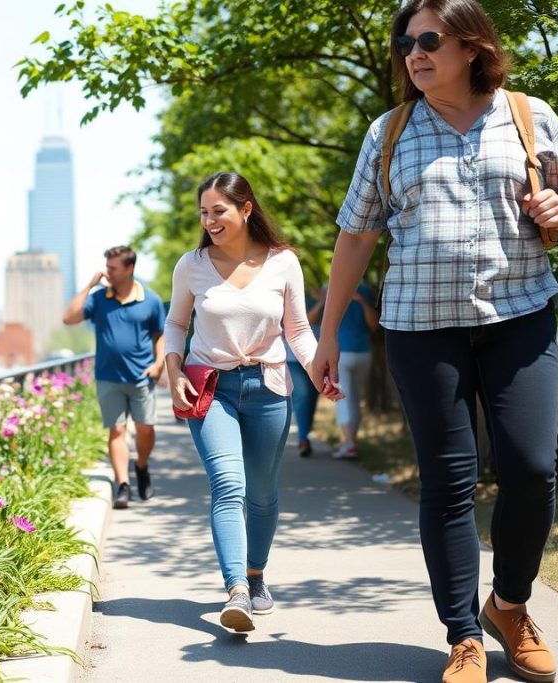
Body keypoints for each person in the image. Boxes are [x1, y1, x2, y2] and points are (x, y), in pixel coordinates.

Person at [312, 0, 558, 679]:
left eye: (429, 39)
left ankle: (509, 604)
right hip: (421, 329)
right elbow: (357, 234)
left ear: (472, 45)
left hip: (520, 314)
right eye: (405, 42)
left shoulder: (529, 114)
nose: (413, 52)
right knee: (450, 482)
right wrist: (327, 331)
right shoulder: (389, 132)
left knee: (532, 469)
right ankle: (463, 634)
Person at [164, 172, 341, 632]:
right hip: (212, 388)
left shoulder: (283, 263)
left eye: (218, 211)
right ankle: (236, 589)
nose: (209, 221)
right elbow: (175, 324)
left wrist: (317, 372)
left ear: (245, 209)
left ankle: (257, 574)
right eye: (204, 213)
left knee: (263, 494)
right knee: (229, 485)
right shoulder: (192, 265)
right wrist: (172, 369)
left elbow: (298, 330)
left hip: (269, 387)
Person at [63, 245, 165, 510]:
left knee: (145, 430)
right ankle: (123, 486)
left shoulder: (150, 300)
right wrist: (89, 285)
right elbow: (69, 317)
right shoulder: (98, 299)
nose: (107, 272)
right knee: (117, 430)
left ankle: (141, 466)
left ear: (129, 269)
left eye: (112, 268)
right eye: (106, 267)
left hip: (142, 376)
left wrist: (158, 364)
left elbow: (161, 335)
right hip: (108, 377)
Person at [323, 280, 379, 460]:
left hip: (341, 353)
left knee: (343, 398)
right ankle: (350, 442)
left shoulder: (331, 286)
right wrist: (362, 301)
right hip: (363, 353)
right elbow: (374, 325)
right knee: (354, 398)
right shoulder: (364, 289)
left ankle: (349, 443)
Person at [286, 290, 324, 457]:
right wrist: (322, 302)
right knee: (302, 394)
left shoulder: (319, 292)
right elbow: (306, 321)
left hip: (316, 357)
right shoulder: (287, 293)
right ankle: (303, 439)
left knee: (313, 397)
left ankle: (306, 433)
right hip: (292, 358)